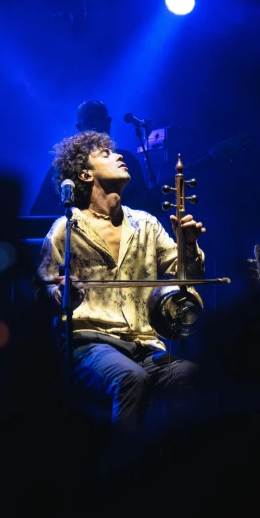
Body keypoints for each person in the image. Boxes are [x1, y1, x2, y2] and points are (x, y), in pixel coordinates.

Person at [34, 129, 207, 432]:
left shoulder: (146, 224)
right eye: (105, 154)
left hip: (146, 346)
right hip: (89, 346)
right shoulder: (66, 228)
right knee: (129, 378)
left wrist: (189, 245)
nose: (119, 156)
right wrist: (59, 293)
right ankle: (123, 472)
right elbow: (40, 291)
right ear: (85, 175)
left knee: (198, 380)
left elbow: (188, 280)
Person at [29, 99, 157, 216]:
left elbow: (145, 205)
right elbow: (40, 212)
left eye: (101, 118)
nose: (97, 124)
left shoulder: (127, 160)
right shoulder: (66, 163)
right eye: (91, 119)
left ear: (109, 121)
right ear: (79, 127)